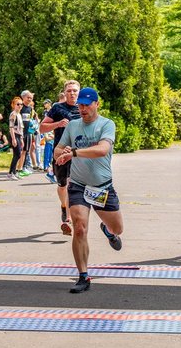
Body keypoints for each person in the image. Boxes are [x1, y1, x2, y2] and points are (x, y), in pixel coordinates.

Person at [53, 87, 122, 293]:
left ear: (96, 104)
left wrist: (74, 152)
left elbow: (102, 150)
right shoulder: (73, 126)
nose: (82, 108)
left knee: (118, 228)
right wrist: (62, 152)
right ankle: (83, 276)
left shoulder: (106, 124)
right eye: (80, 105)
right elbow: (58, 148)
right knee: (80, 228)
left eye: (86, 105)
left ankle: (108, 231)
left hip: (101, 186)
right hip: (79, 185)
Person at [41, 80, 82, 235]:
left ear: (79, 92)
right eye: (69, 91)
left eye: (75, 91)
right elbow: (42, 127)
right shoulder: (57, 108)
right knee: (62, 185)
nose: (72, 93)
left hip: (77, 153)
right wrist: (58, 124)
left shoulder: (83, 108)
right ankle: (64, 207)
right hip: (60, 153)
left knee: (73, 185)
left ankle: (68, 220)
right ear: (65, 93)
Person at [7, 96, 25, 180]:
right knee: (18, 154)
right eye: (18, 104)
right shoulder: (13, 114)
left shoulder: (19, 115)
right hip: (13, 135)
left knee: (17, 154)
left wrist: (21, 139)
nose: (20, 106)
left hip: (18, 135)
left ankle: (14, 172)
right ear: (13, 105)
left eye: (21, 104)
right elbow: (11, 127)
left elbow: (20, 128)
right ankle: (11, 173)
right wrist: (13, 139)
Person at [19, 90, 36, 175]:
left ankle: (25, 167)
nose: (29, 99)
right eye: (28, 97)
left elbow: (31, 120)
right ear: (23, 97)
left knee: (27, 150)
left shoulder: (30, 108)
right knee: (21, 151)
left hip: (28, 132)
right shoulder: (20, 107)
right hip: (21, 132)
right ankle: (19, 168)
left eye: (31, 98)